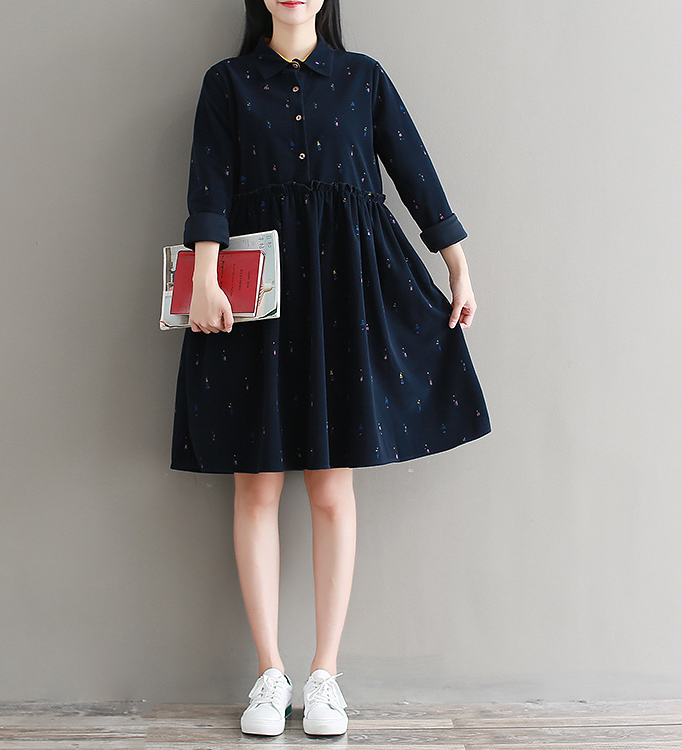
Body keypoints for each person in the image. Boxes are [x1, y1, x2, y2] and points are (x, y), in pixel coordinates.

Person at [169, 0, 492, 737]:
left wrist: (458, 266)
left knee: (331, 485)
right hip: (259, 298)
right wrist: (205, 277)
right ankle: (269, 673)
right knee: (255, 484)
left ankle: (325, 676)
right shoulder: (226, 82)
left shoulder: (364, 78)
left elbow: (416, 174)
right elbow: (208, 185)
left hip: (346, 292)